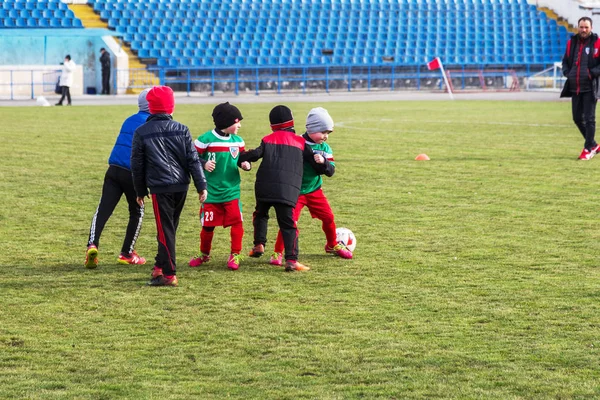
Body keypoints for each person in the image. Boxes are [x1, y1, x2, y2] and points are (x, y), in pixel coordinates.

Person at [131, 86, 208, 287]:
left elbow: (137, 165)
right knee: (169, 228)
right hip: (181, 185)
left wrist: (140, 190)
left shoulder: (141, 132)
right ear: (171, 107)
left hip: (160, 187)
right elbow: (193, 160)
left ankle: (169, 273)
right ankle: (159, 265)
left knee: (165, 230)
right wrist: (201, 185)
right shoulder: (182, 129)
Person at [238, 105, 327, 272]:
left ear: (272, 124)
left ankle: (259, 244)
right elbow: (316, 164)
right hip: (287, 190)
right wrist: (327, 166)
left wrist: (239, 158)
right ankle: (291, 260)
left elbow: (255, 154)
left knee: (261, 214)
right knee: (288, 225)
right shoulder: (300, 142)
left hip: (264, 186)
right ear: (291, 121)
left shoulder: (268, 139)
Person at [269, 107, 352, 267]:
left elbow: (331, 171)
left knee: (328, 218)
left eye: (328, 133)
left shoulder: (324, 148)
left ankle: (332, 244)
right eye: (323, 132)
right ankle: (277, 252)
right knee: (289, 223)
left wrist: (323, 162)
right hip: (295, 192)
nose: (325, 137)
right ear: (312, 129)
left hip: (315, 191)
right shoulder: (296, 142)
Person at [84, 88, 152, 269]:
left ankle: (92, 244)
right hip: (132, 173)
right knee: (137, 212)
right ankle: (127, 253)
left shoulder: (129, 119)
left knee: (103, 209)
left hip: (113, 169)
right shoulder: (151, 124)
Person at [189, 102, 252, 271]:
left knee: (237, 221)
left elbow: (240, 158)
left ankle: (235, 254)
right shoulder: (204, 140)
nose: (239, 125)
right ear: (226, 122)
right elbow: (191, 158)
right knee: (208, 226)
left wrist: (245, 164)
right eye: (237, 121)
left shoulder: (238, 141)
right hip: (211, 192)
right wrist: (203, 163)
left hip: (231, 190)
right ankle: (204, 254)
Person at [561, 16, 600, 160]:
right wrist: (568, 73)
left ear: (591, 28)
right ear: (578, 27)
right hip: (575, 87)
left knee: (590, 119)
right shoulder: (571, 43)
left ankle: (588, 148)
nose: (583, 30)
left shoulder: (597, 43)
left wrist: (591, 74)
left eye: (586, 27)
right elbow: (565, 61)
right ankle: (594, 144)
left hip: (590, 87)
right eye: (581, 27)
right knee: (577, 118)